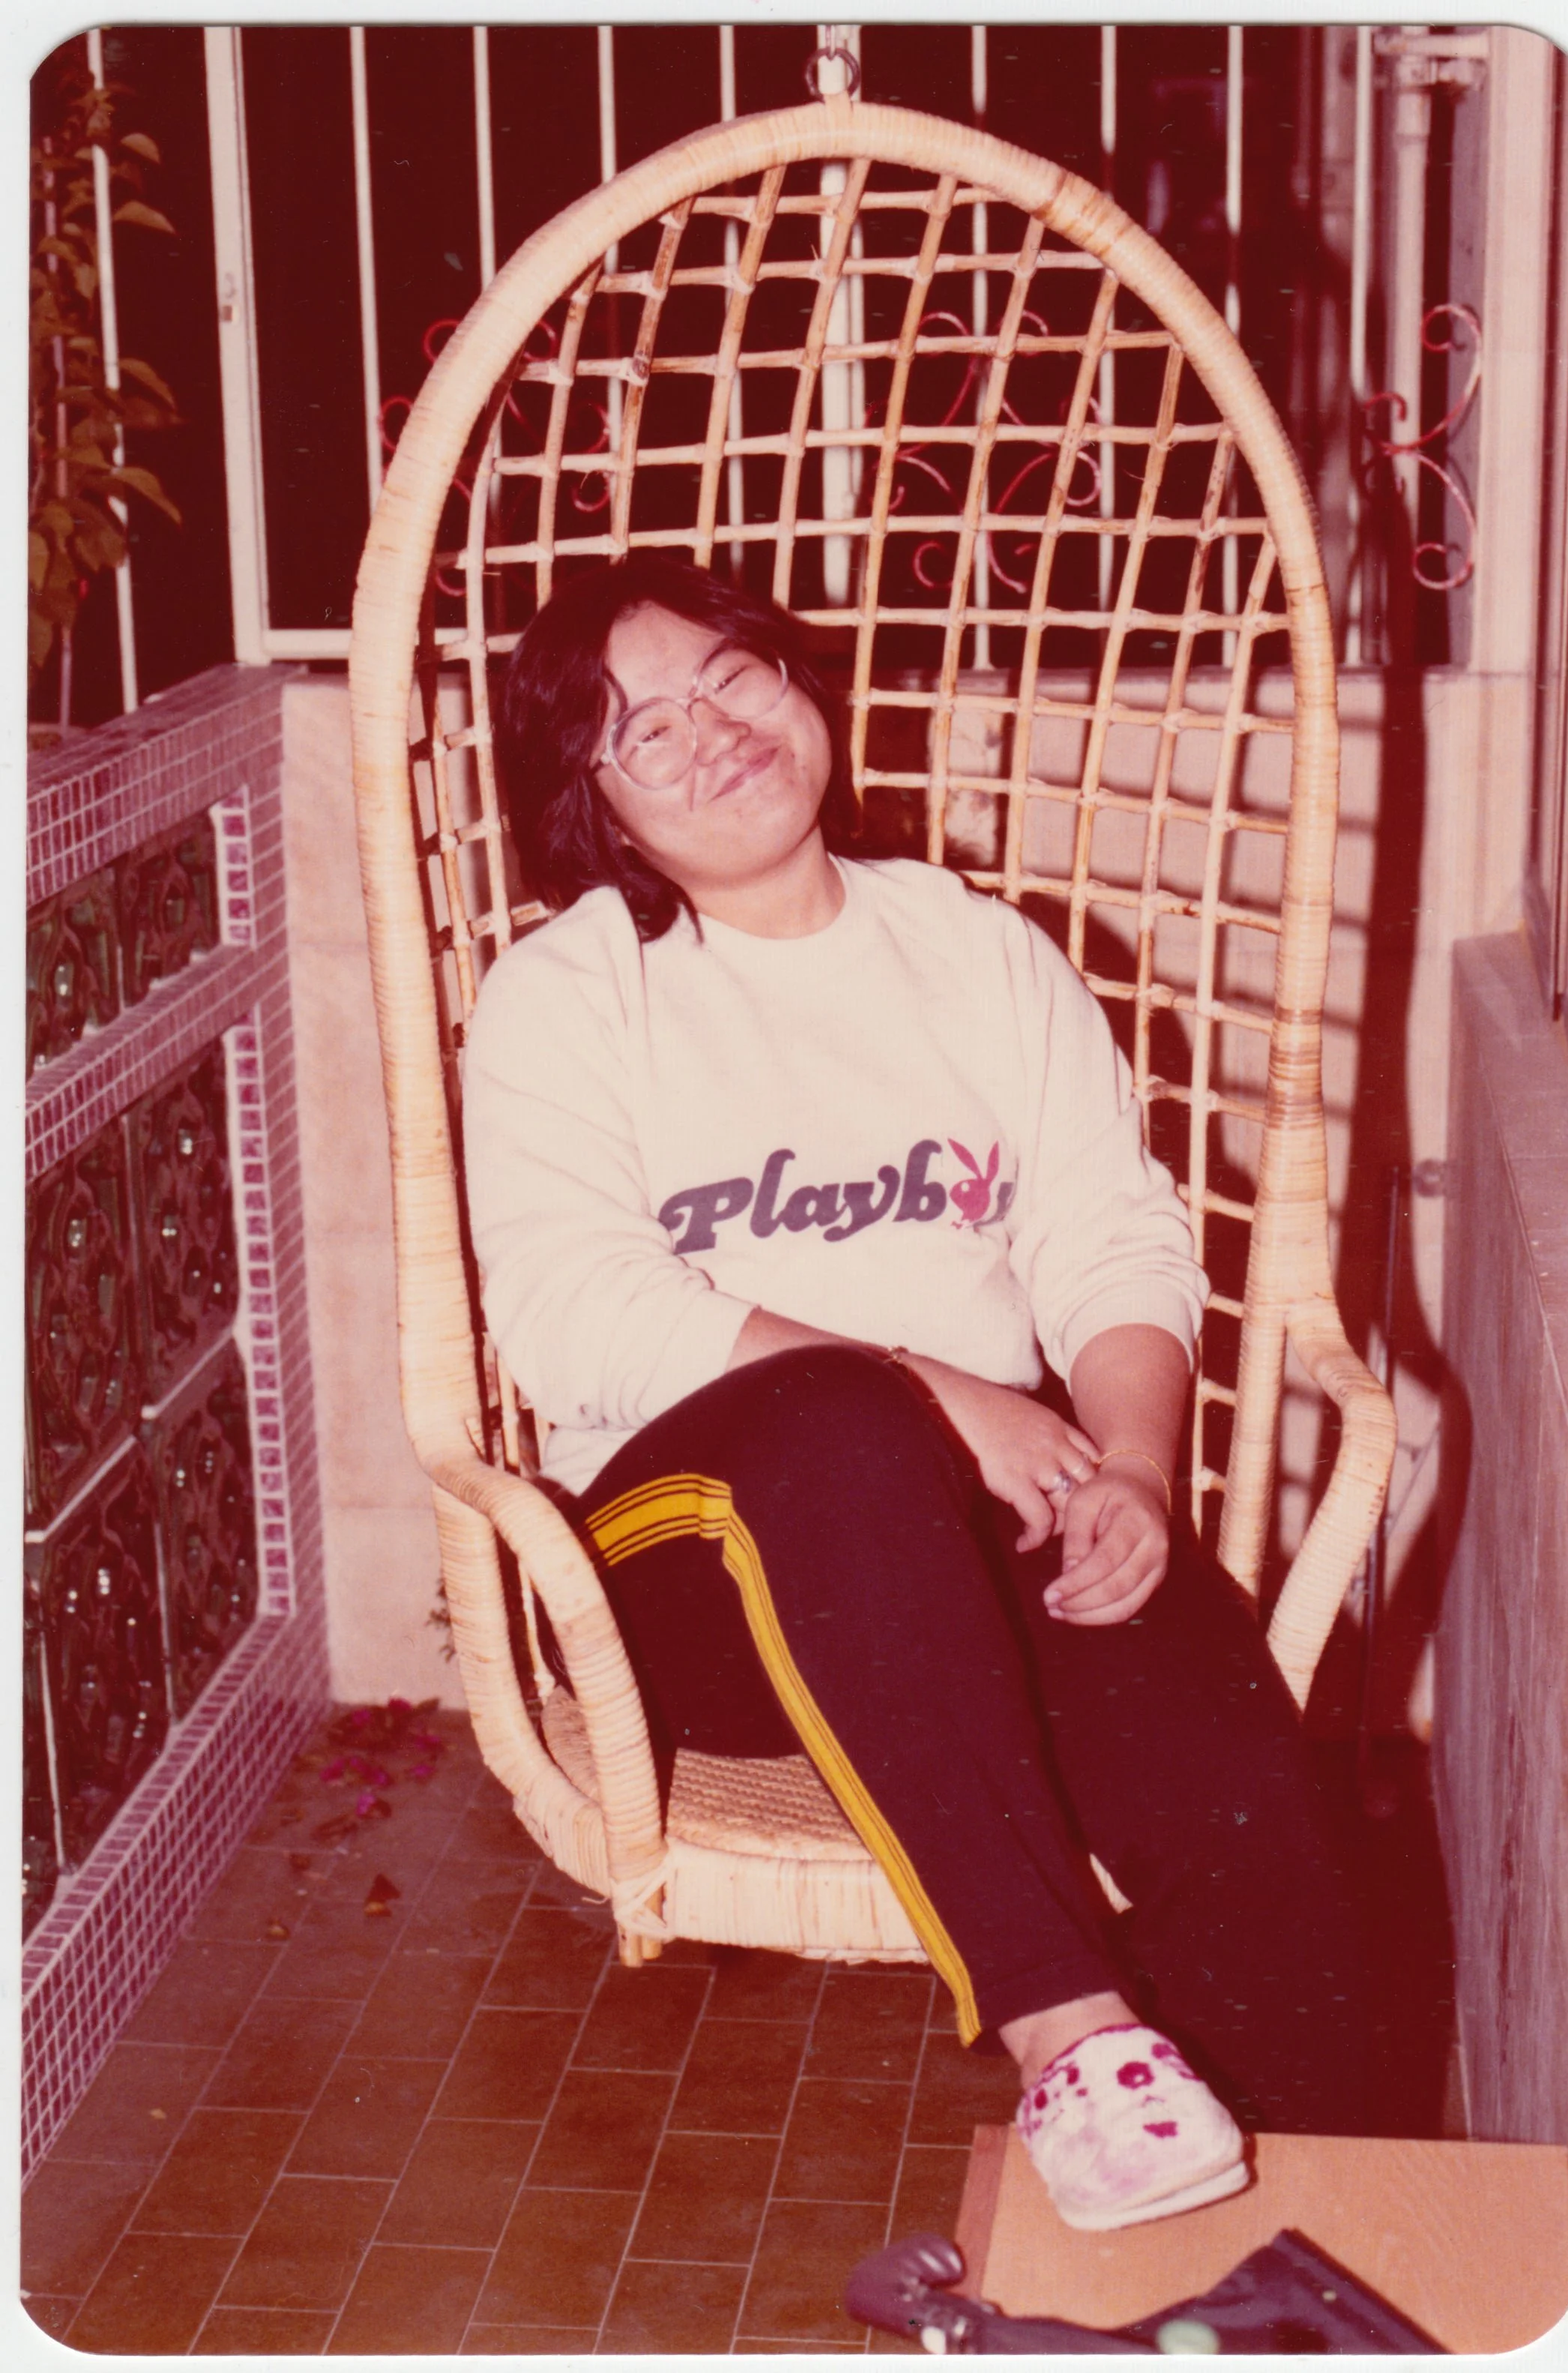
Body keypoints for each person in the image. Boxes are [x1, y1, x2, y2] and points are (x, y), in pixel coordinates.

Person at [463, 552, 1373, 2232]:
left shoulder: (976, 955)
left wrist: (1135, 1469)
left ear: (795, 681)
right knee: (839, 1421)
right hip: (689, 1571)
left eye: (728, 678)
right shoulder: (565, 998)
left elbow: (1112, 1239)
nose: (710, 734)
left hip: (973, 1527)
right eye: (638, 731)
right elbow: (567, 1312)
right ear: (592, 808)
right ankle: (1074, 2040)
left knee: (1198, 1706)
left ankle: (1301, 2251)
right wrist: (949, 1392)